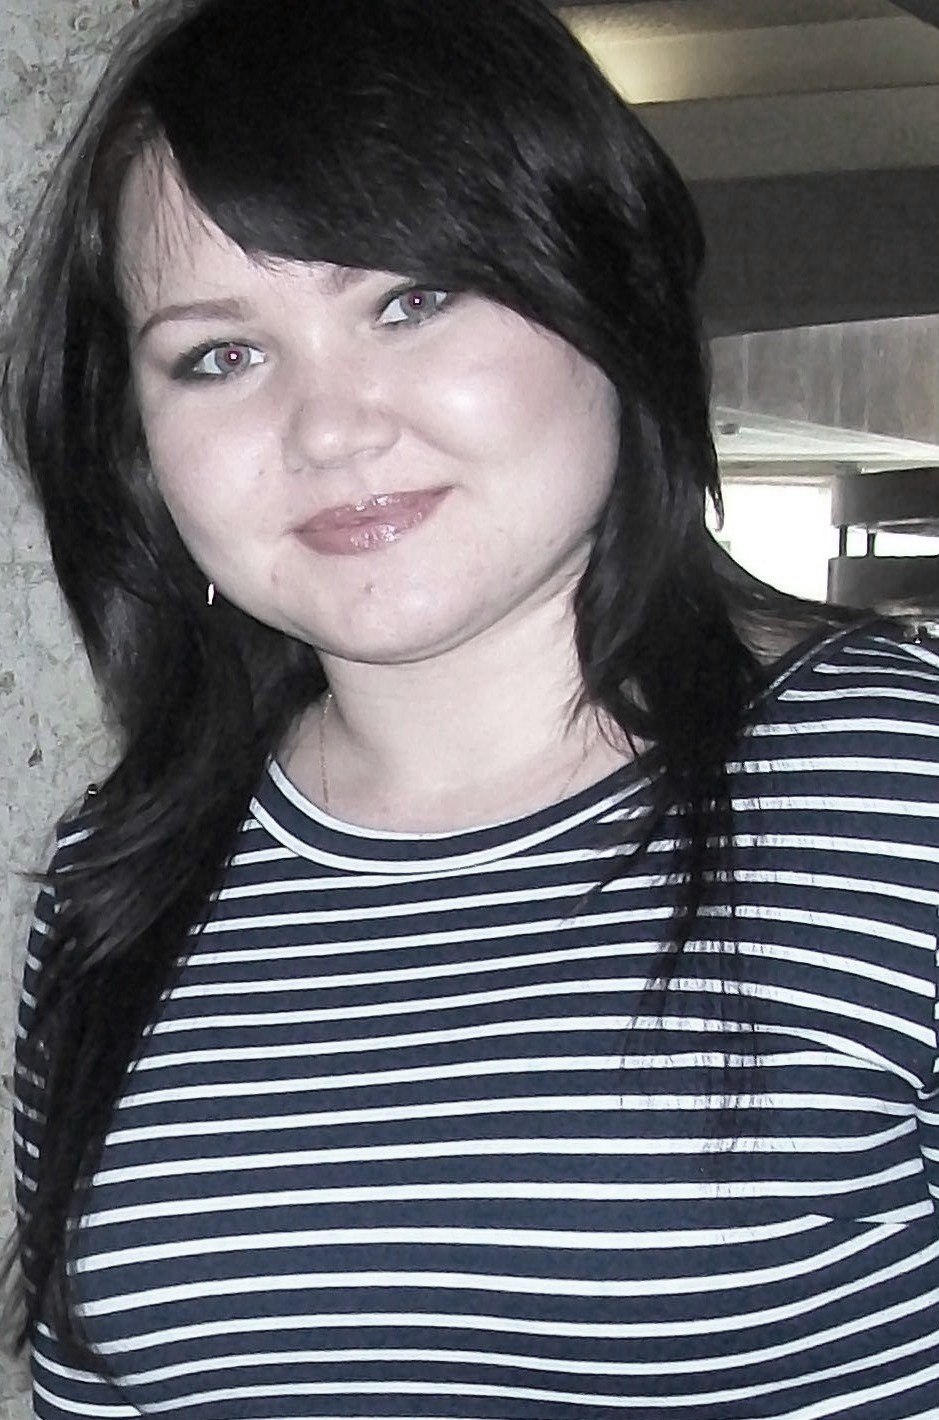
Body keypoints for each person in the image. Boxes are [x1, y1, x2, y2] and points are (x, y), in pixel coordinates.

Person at [2, 0, 938, 1415]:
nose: (330, 429)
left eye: (411, 300)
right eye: (220, 356)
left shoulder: (901, 783)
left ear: (606, 284)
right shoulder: (117, 880)